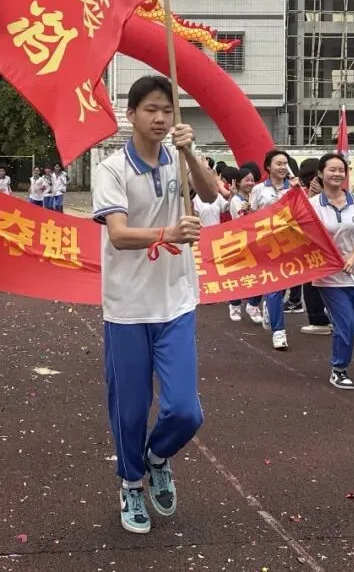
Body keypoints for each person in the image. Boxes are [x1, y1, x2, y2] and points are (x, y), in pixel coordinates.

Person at [91, 75, 218, 535]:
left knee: (186, 410)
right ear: (132, 115)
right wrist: (169, 234)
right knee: (129, 410)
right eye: (151, 109)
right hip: (127, 308)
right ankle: (130, 483)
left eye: (167, 109)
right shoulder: (112, 169)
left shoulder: (179, 156)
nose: (161, 117)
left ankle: (157, 457)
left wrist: (190, 153)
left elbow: (209, 194)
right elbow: (120, 235)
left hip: (176, 302)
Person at [310, 154, 354, 390]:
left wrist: (353, 257)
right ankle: (339, 369)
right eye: (332, 170)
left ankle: (339, 325)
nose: (337, 174)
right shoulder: (312, 206)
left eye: (341, 170)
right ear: (321, 173)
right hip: (329, 276)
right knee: (346, 324)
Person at [251, 149, 295, 349]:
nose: (283, 167)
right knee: (273, 285)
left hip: (290, 243)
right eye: (278, 163)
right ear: (268, 167)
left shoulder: (294, 188)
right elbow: (251, 215)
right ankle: (279, 332)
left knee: (283, 284)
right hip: (266, 244)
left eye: (285, 163)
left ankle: (270, 307)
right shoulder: (259, 189)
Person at [226, 165, 263, 324]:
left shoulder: (255, 198)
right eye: (247, 180)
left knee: (261, 274)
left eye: (252, 180)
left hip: (257, 241)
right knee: (239, 275)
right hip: (239, 242)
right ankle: (234, 304)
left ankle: (253, 304)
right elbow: (241, 221)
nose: (250, 183)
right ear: (239, 183)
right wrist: (248, 212)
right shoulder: (236, 200)